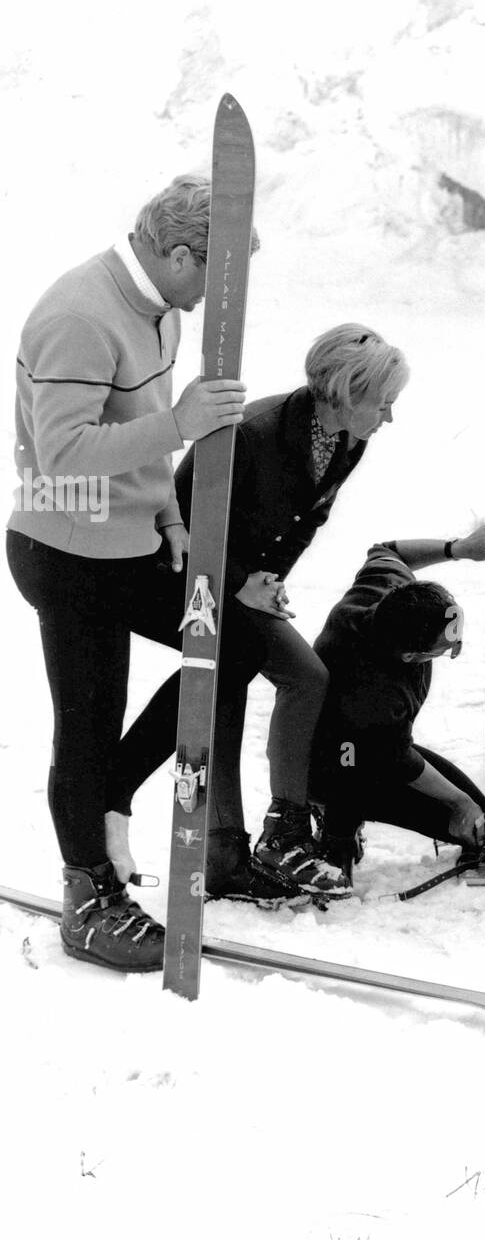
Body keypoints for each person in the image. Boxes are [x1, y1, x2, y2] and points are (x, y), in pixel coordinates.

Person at [7, 173, 254, 971]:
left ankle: (104, 789)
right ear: (181, 254)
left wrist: (169, 516)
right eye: (217, 282)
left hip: (129, 542)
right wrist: (181, 425)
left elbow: (135, 428)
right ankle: (89, 897)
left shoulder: (159, 310)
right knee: (85, 725)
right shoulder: (81, 315)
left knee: (233, 648)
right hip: (66, 551)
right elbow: (64, 454)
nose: (218, 303)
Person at [105, 326, 411, 905]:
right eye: (384, 403)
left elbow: (306, 522)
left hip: (243, 584)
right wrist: (242, 582)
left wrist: (269, 585)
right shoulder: (252, 433)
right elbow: (176, 518)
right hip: (180, 576)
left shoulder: (349, 440)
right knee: (249, 679)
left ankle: (278, 833)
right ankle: (233, 850)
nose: (389, 417)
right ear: (346, 391)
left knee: (299, 676)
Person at [307, 524, 485, 881]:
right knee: (467, 820)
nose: (455, 648)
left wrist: (459, 548)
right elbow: (398, 761)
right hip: (336, 763)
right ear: (410, 656)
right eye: (447, 647)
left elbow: (388, 549)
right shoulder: (375, 694)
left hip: (372, 744)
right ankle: (334, 828)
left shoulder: (384, 591)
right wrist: (456, 802)